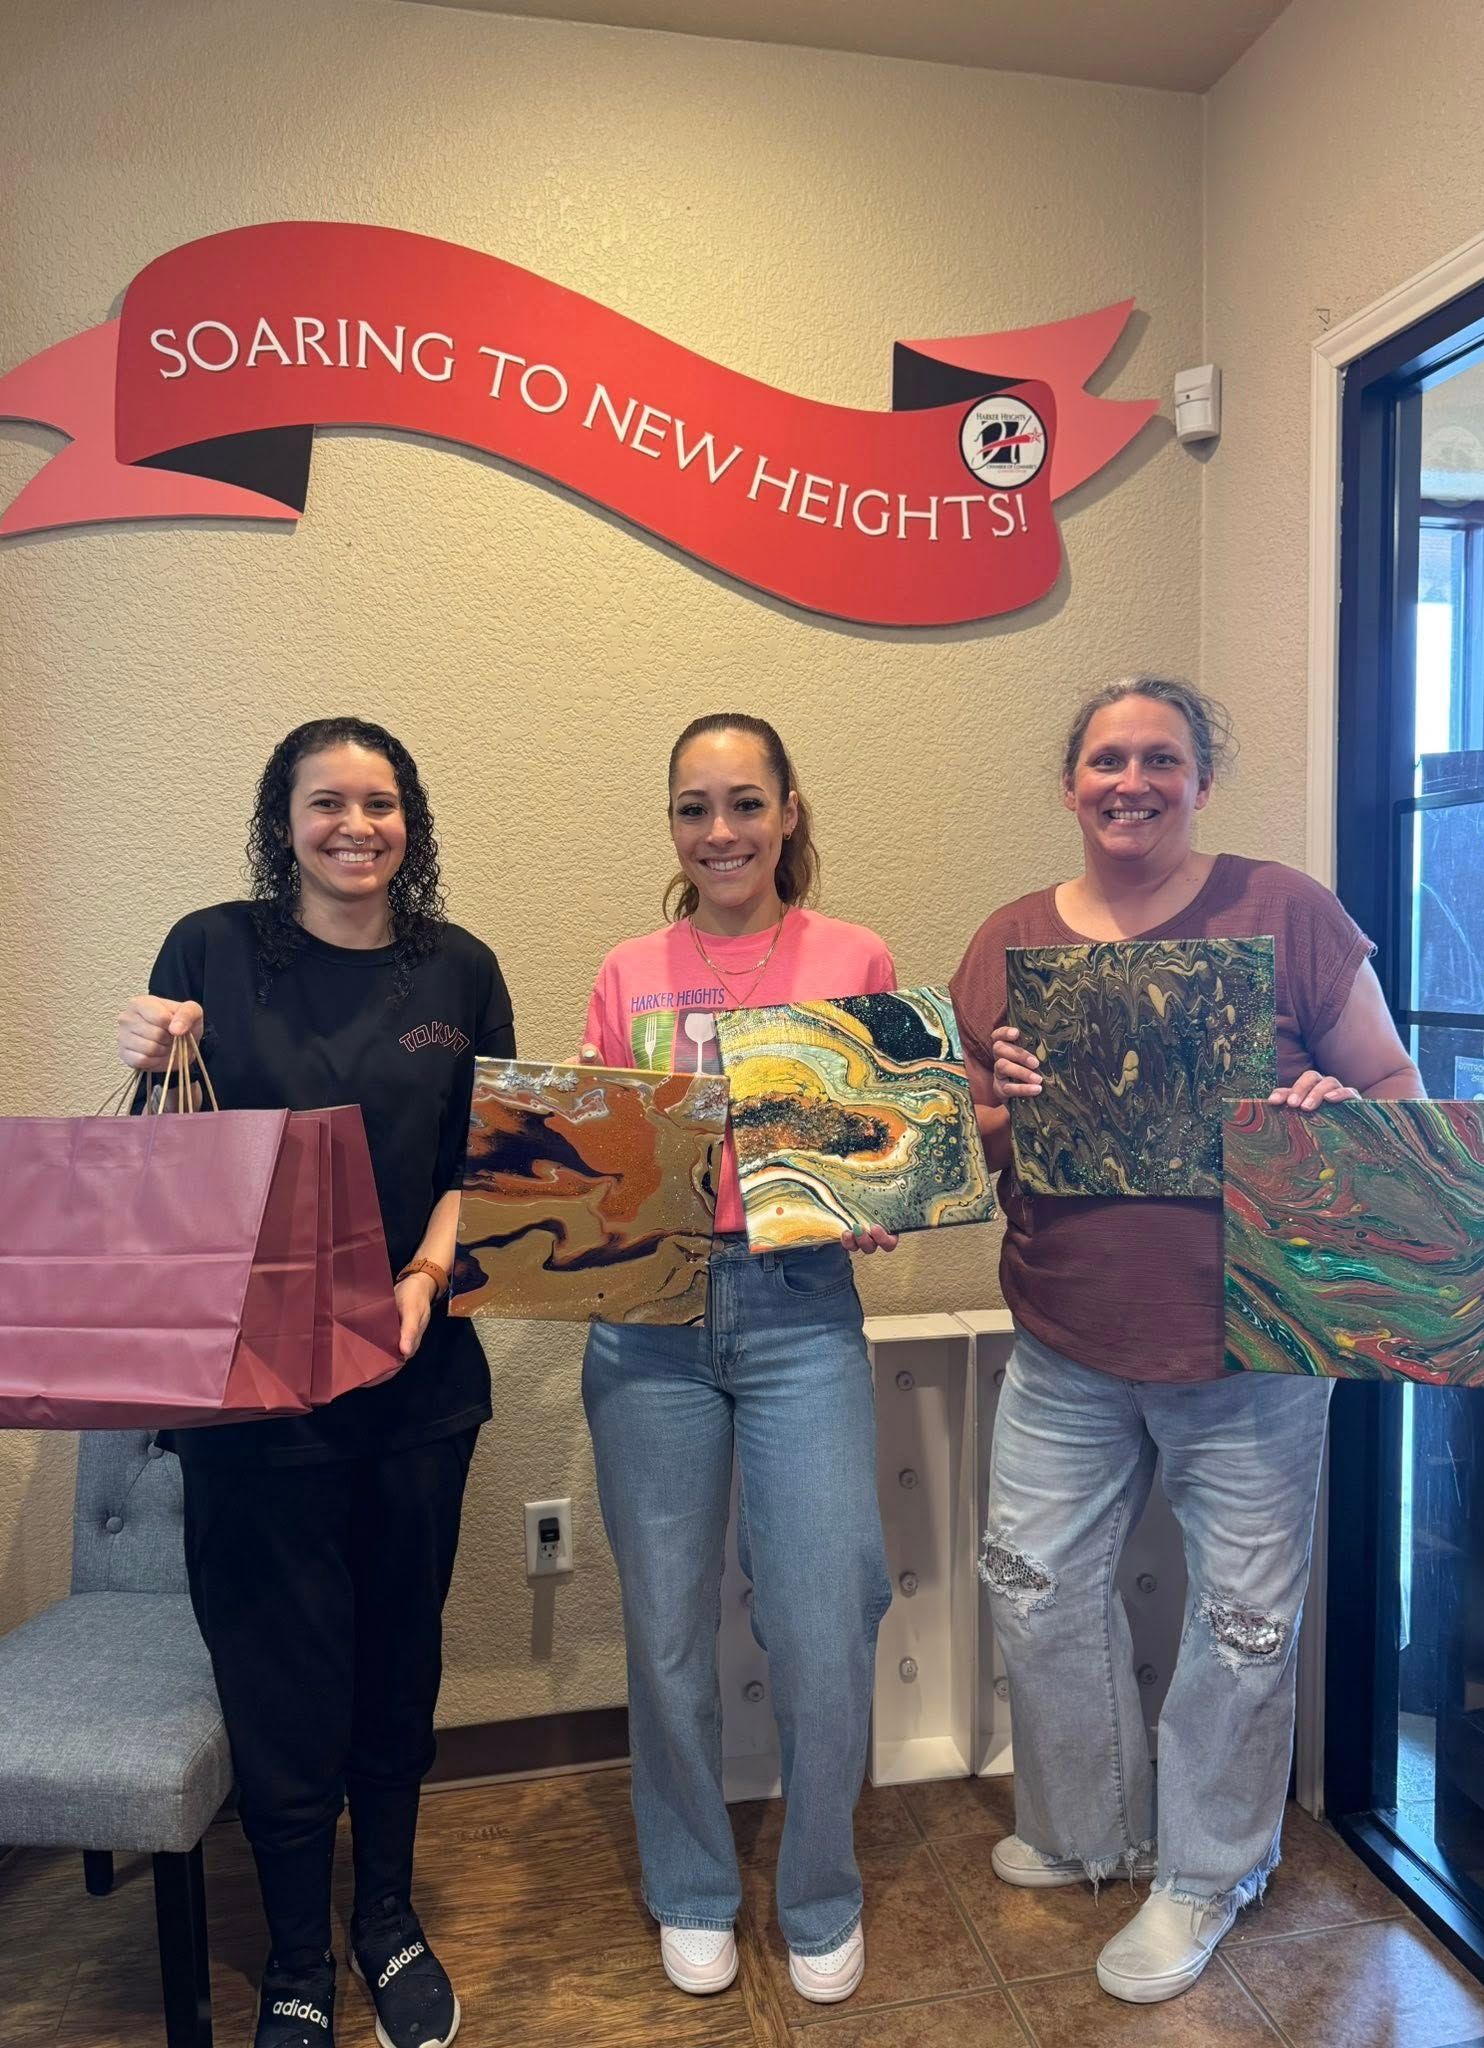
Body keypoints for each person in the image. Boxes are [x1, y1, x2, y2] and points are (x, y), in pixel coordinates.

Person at [949, 677, 1420, 2006]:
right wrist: (1010, 1109)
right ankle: (1096, 1830)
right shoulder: (1011, 940)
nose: (1132, 781)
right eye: (1107, 759)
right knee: (1032, 1588)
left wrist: (1334, 1107)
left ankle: (1209, 1869)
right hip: (1063, 1333)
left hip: (1256, 1344)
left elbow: (1394, 1089)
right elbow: (957, 1142)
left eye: (1161, 758)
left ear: (1201, 778)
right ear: (1070, 782)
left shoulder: (1289, 913)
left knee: (1244, 1625)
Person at [114, 717, 513, 2048]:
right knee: (280, 1679)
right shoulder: (211, 949)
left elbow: (485, 1159)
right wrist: (149, 1050)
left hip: (414, 1382)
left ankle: (384, 1920)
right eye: (326, 803)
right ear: (281, 821)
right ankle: (296, 1955)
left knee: (397, 1668)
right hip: (248, 1389)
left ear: (413, 819)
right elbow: (166, 1161)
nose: (357, 827)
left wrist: (422, 1281)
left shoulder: (461, 967)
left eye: (381, 803)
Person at [579, 713, 895, 2007]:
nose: (721, 832)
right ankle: (694, 1888)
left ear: (788, 812)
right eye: (695, 809)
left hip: (800, 1309)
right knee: (664, 1631)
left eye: (745, 805)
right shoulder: (626, 970)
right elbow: (600, 1151)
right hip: (649, 1321)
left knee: (826, 1617)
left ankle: (820, 1892)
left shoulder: (851, 953)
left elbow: (880, 1133)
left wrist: (880, 1180)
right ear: (672, 825)